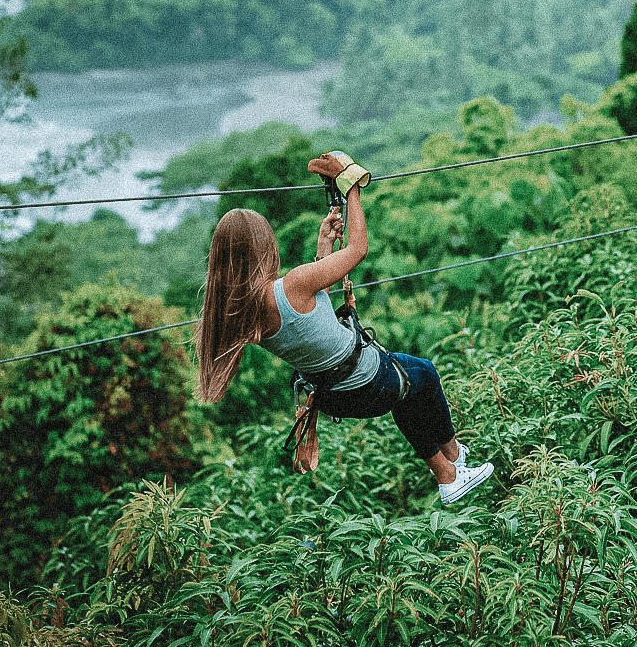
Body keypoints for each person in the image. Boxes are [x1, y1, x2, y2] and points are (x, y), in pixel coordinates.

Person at [196, 151, 494, 505]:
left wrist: (323, 247)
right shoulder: (294, 282)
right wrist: (352, 187)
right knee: (424, 375)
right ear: (265, 246)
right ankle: (455, 460)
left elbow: (308, 316)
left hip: (337, 397)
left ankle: (449, 473)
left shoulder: (241, 313)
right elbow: (359, 249)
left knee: (407, 393)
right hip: (368, 380)